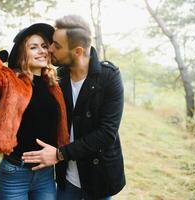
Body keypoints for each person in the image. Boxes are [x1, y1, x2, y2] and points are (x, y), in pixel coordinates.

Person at [22, 15, 126, 199]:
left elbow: (106, 133)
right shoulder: (57, 78)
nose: (50, 49)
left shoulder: (109, 77)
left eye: (57, 46)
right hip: (66, 181)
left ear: (77, 51)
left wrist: (59, 154)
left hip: (98, 179)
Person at [0, 23, 69, 200]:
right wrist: (3, 56)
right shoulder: (10, 82)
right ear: (22, 53)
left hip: (45, 174)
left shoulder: (53, 86)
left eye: (44, 46)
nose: (42, 51)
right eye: (33, 47)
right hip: (15, 174)